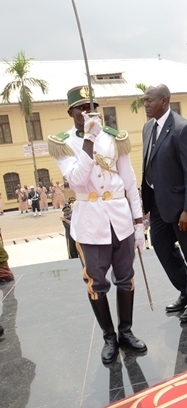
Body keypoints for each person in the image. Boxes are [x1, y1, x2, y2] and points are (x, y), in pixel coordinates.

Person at [47, 85, 147, 363]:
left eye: (92, 106)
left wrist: (138, 222)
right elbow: (77, 180)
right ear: (71, 112)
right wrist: (89, 141)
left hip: (120, 221)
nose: (88, 112)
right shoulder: (62, 143)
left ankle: (126, 331)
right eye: (81, 107)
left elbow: (129, 181)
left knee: (125, 279)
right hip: (90, 224)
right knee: (97, 283)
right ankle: (109, 337)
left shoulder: (115, 138)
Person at [141, 84, 187, 323]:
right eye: (144, 100)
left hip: (181, 206)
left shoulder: (183, 128)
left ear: (165, 101)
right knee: (161, 247)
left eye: (149, 100)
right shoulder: (148, 128)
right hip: (158, 203)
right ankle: (186, 290)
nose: (145, 104)